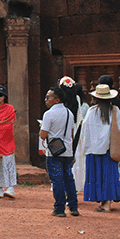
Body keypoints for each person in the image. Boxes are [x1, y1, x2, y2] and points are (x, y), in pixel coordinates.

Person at [74, 83, 120, 212]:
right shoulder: (114, 110)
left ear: (96, 98)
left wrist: (85, 148)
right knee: (109, 174)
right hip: (109, 149)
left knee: (97, 175)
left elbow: (85, 131)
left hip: (94, 149)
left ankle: (103, 202)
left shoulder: (92, 112)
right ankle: (106, 203)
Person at [40, 85, 78, 217]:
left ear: (56, 100)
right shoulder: (69, 113)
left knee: (57, 180)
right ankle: (73, 207)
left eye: (48, 97)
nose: (45, 100)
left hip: (54, 152)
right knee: (68, 179)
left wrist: (42, 128)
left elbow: (43, 135)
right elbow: (71, 134)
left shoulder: (48, 114)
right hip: (67, 150)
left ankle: (59, 208)